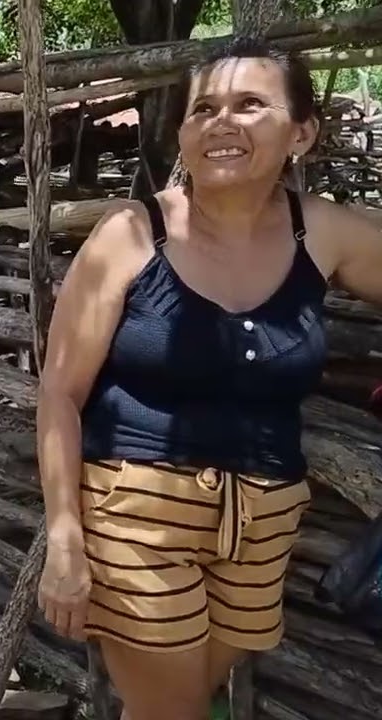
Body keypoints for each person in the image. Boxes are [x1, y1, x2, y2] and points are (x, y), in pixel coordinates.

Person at [36, 36, 382, 720]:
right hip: (138, 511)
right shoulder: (133, 236)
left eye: (251, 104)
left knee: (170, 706)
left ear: (301, 133)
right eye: (204, 109)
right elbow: (59, 392)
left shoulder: (326, 234)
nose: (222, 122)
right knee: (176, 713)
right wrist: (66, 535)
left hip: (264, 522)